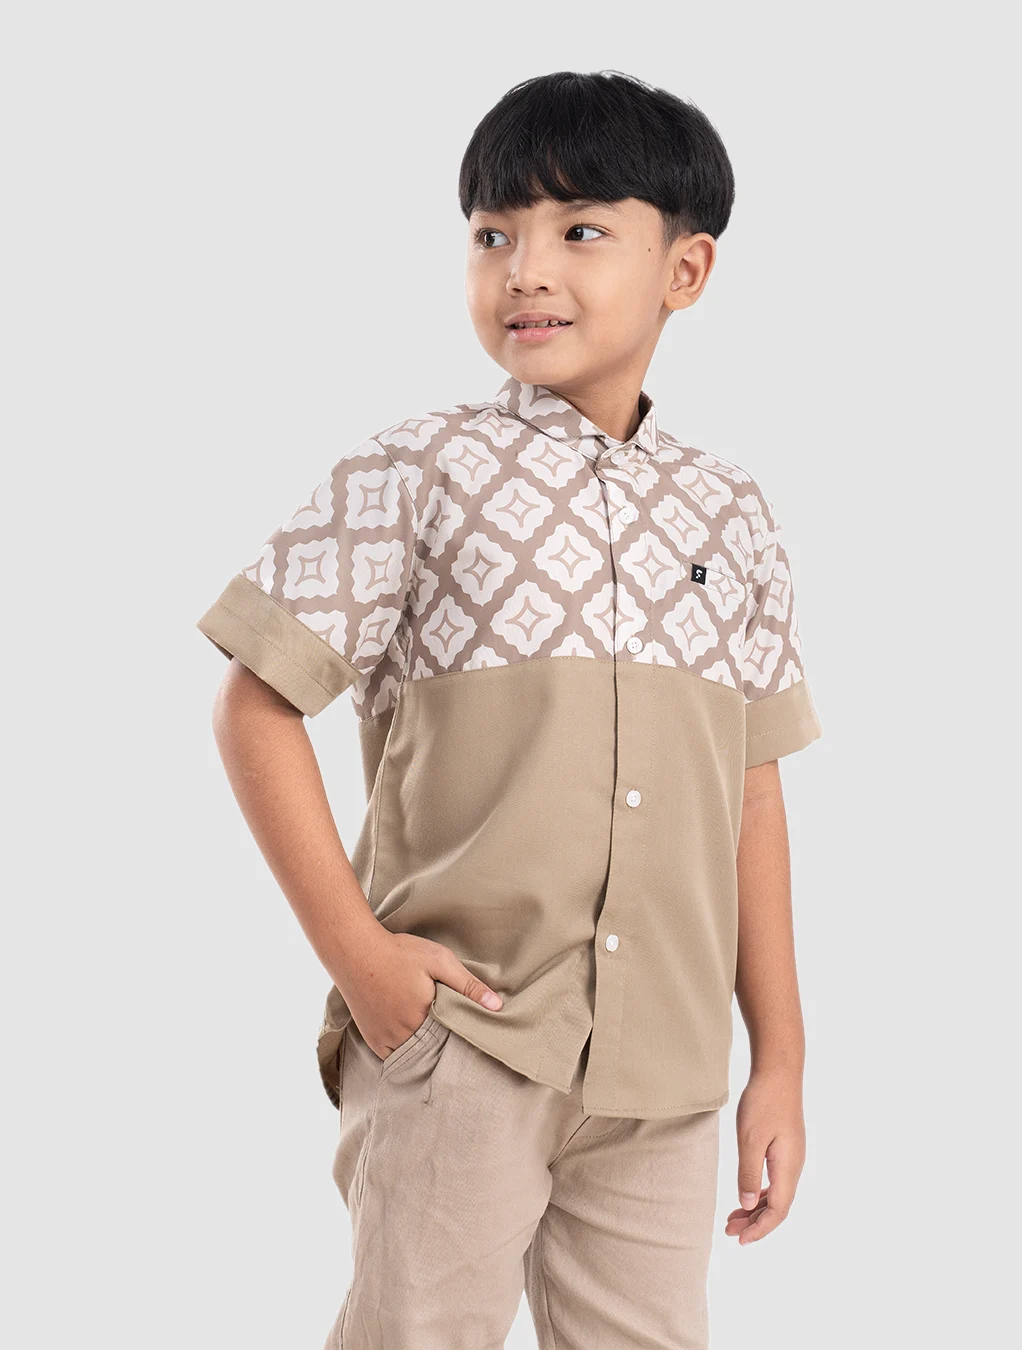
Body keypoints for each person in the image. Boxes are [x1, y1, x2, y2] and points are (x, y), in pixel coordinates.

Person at [196, 68, 822, 1350]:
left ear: (686, 269)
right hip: (463, 1044)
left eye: (580, 229)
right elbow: (255, 706)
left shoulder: (732, 511)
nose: (526, 270)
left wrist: (782, 1062)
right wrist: (363, 965)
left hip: (663, 1072)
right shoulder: (415, 471)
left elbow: (751, 794)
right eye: (493, 236)